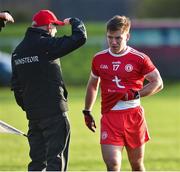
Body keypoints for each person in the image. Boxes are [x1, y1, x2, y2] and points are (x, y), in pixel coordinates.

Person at [82, 15, 163, 171]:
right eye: (109, 38)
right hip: (110, 117)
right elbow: (93, 84)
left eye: (118, 38)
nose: (113, 42)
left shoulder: (139, 58)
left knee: (137, 165)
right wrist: (87, 110)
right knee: (112, 164)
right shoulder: (99, 58)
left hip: (133, 116)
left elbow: (158, 82)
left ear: (127, 36)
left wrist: (136, 94)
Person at [11, 9, 87, 171]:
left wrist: (30, 108)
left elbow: (16, 88)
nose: (56, 30)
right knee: (55, 162)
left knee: (37, 163)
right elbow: (80, 38)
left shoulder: (17, 51)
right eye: (55, 26)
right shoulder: (45, 44)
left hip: (33, 117)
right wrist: (75, 21)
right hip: (54, 112)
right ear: (48, 26)